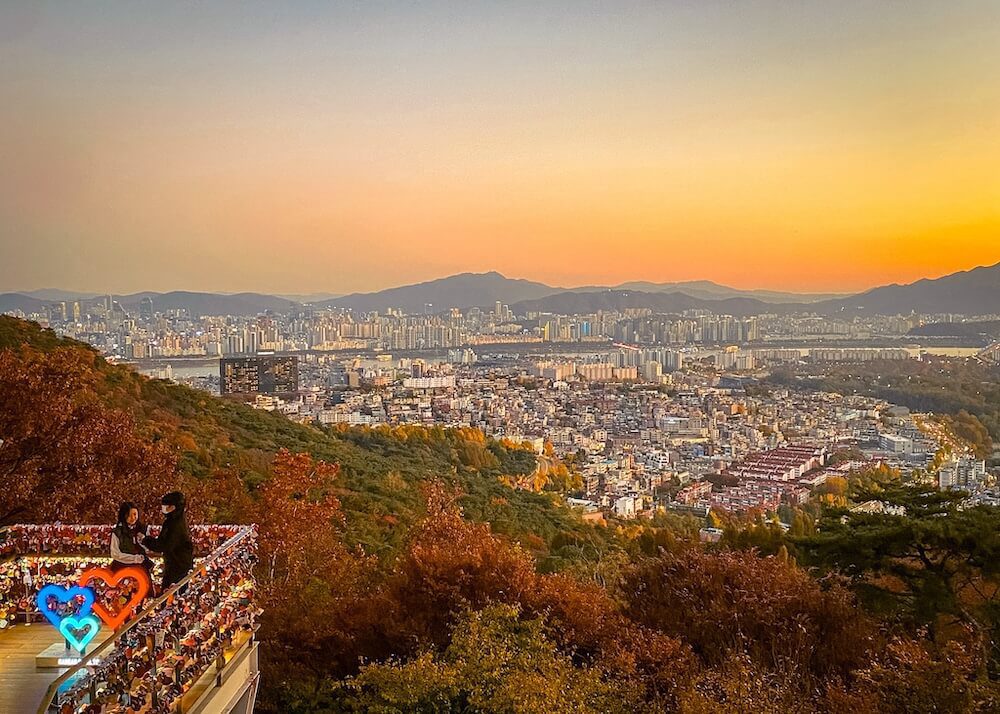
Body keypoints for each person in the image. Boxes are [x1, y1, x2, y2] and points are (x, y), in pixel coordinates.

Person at [142, 492, 194, 590]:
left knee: (171, 591)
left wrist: (146, 540)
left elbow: (164, 545)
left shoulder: (174, 525)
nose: (164, 509)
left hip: (177, 565)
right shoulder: (174, 521)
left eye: (168, 506)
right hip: (177, 563)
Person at [110, 502, 150, 574]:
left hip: (140, 568)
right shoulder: (118, 532)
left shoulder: (143, 529)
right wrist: (135, 559)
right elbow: (115, 553)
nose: (133, 518)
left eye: (135, 514)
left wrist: (143, 540)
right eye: (129, 515)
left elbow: (148, 549)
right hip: (121, 568)